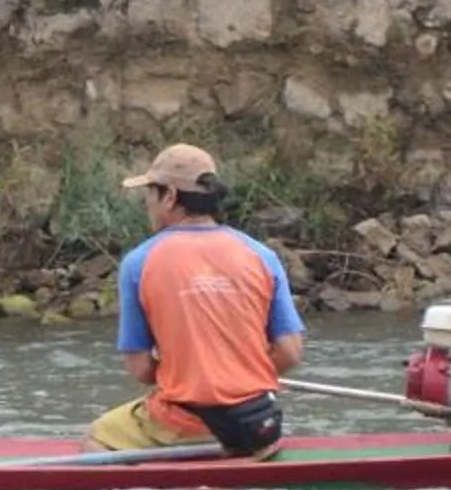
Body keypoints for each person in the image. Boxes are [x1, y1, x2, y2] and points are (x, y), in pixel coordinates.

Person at [87, 142, 306, 455]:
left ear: (171, 196)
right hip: (258, 422)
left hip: (185, 420)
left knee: (98, 436)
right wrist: (235, 375)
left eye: (151, 192)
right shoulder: (262, 256)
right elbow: (290, 353)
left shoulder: (139, 262)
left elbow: (140, 369)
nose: (147, 202)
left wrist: (190, 374)